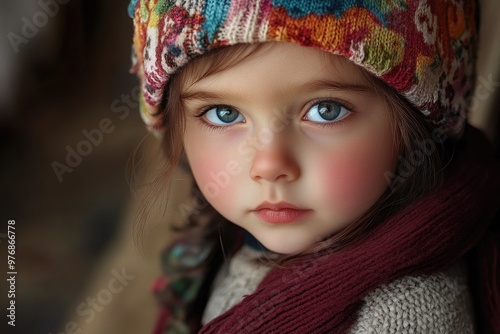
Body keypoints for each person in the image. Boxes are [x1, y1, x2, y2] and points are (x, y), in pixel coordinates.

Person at [128, 1, 500, 333]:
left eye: (326, 110)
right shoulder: (221, 250)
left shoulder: (405, 314)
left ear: (416, 127)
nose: (269, 165)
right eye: (224, 114)